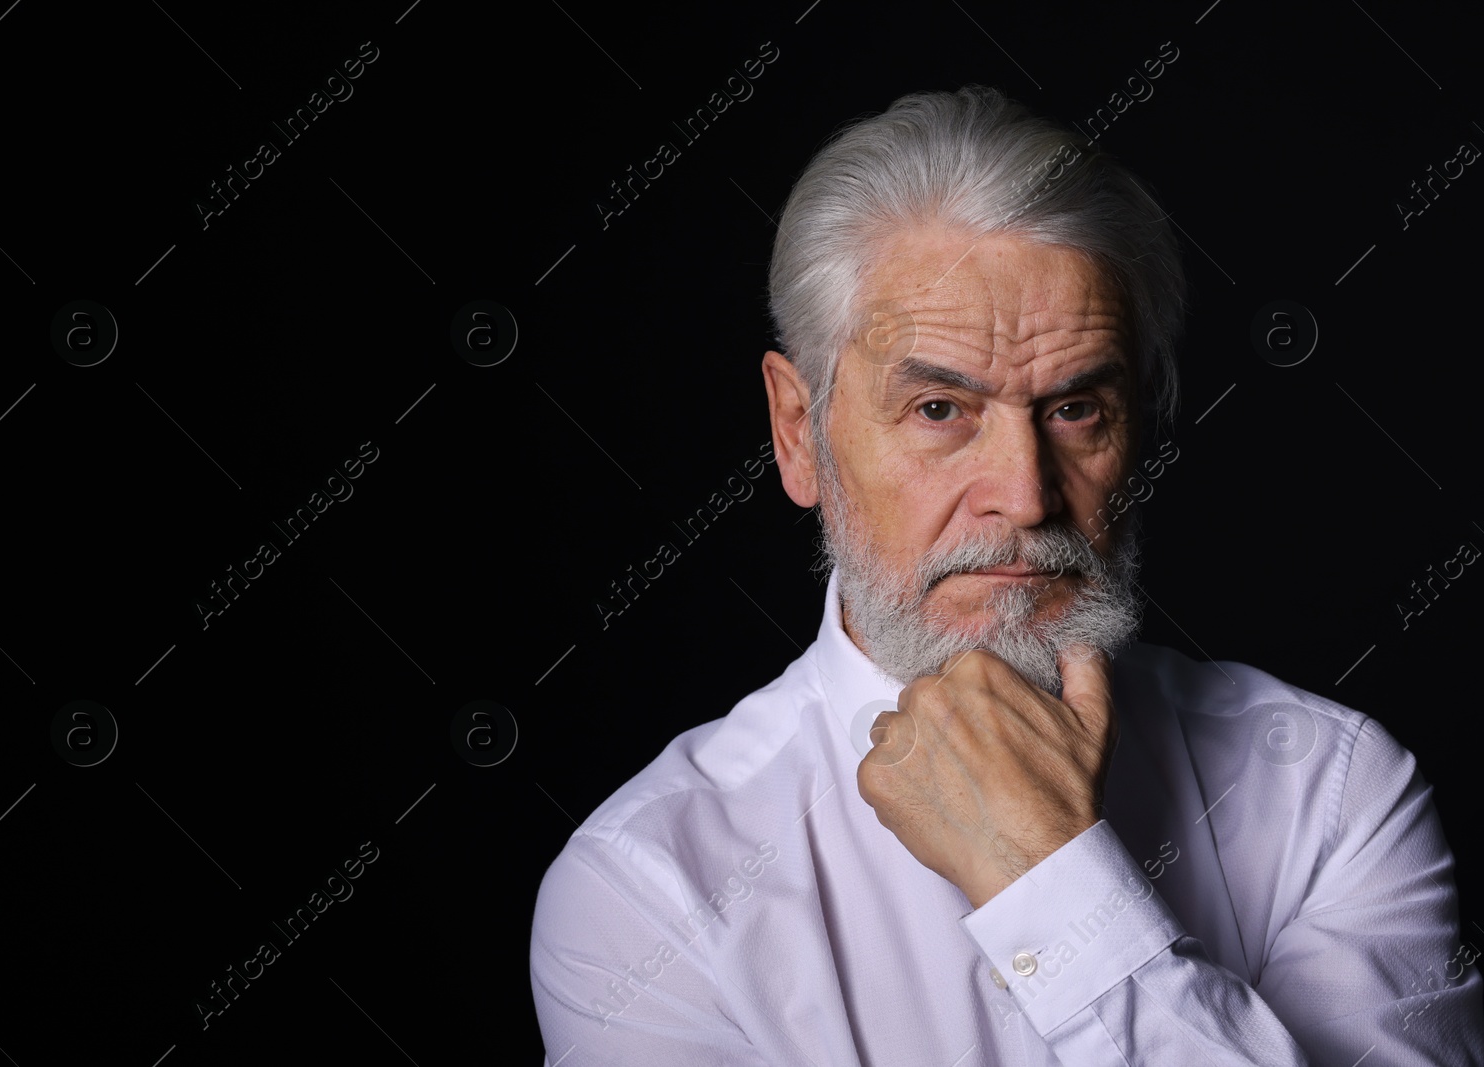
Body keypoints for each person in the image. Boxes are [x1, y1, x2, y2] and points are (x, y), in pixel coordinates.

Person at [528, 86, 1484, 1065]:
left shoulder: (1330, 796)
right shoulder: (650, 889)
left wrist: (1046, 873)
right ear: (794, 432)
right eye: (939, 408)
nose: (1025, 497)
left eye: (1074, 408)